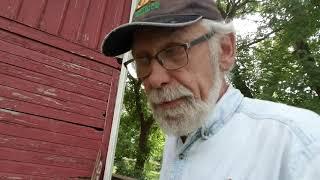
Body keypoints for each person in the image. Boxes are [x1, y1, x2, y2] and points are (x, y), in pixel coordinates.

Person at [101, 0, 320, 179]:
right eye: (143, 59)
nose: (155, 79)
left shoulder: (301, 145)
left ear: (225, 50)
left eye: (174, 51)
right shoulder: (176, 138)